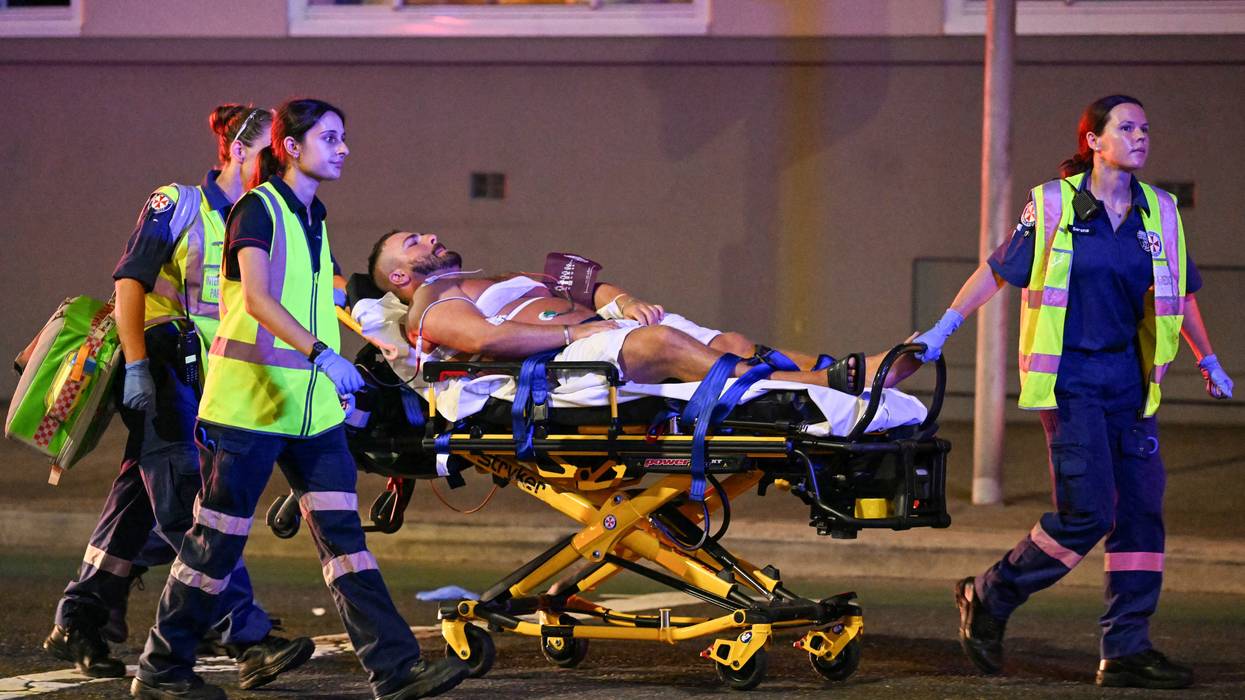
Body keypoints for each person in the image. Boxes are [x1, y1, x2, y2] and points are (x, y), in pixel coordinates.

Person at [133, 99, 470, 700]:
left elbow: (326, 295)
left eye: (344, 138)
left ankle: (393, 669)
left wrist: (388, 342)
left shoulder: (313, 215)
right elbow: (259, 299)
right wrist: (324, 354)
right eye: (331, 138)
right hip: (247, 409)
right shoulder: (256, 210)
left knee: (346, 544)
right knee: (215, 545)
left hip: (310, 413)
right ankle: (161, 670)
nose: (343, 149)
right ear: (290, 146)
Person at [912, 95, 1234, 689]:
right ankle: (989, 594)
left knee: (1140, 516)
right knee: (1087, 513)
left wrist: (1206, 358)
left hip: (1134, 386)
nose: (1141, 137)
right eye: (1127, 127)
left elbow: (1181, 294)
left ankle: (1127, 649)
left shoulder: (1160, 212)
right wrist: (943, 328)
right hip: (1072, 382)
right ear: (1093, 141)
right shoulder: (1054, 203)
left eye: (1146, 127)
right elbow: (998, 269)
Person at [45, 104, 314, 690]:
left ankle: (82, 616)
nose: (279, 164)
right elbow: (130, 282)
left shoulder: (260, 214)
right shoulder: (179, 203)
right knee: (188, 505)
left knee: (138, 502)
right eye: (269, 152)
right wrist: (138, 366)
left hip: (216, 381)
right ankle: (244, 631)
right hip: (163, 371)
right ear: (238, 150)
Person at [365, 230, 915, 392]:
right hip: (570, 362)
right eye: (415, 242)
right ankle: (834, 382)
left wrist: (620, 302)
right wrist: (581, 333)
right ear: (398, 275)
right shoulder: (431, 306)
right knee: (667, 347)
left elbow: (585, 287)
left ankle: (841, 366)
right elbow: (488, 341)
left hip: (605, 333)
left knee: (734, 344)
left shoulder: (488, 276)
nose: (431, 237)